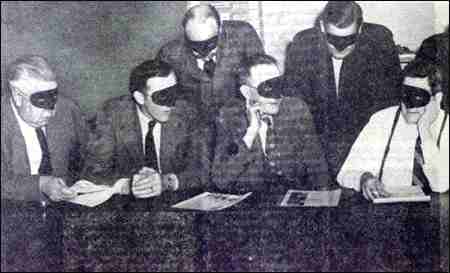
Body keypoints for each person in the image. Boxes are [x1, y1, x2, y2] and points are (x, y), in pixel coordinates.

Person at [284, 1, 402, 178]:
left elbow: (388, 107)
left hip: (366, 145)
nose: (340, 47)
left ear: (360, 29)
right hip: (318, 148)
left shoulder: (379, 43)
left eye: (348, 40)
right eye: (333, 39)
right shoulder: (303, 46)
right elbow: (297, 113)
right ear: (322, 27)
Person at [82, 60, 210, 198]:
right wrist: (128, 185)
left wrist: (166, 182)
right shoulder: (112, 114)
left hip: (174, 200)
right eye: (162, 96)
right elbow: (93, 171)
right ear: (140, 98)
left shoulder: (187, 112)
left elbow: (204, 169)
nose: (172, 104)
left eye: (174, 93)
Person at [212, 54, 330, 193]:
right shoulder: (229, 117)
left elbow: (318, 170)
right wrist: (251, 132)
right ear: (247, 92)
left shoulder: (296, 109)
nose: (276, 96)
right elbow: (221, 180)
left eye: (279, 85)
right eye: (266, 88)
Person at [338, 63, 449, 200]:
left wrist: (425, 131)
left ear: (436, 99)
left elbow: (442, 184)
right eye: (405, 95)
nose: (409, 105)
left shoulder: (447, 126)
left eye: (418, 97)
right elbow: (345, 173)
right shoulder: (382, 120)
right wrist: (364, 179)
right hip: (391, 214)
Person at [1, 55, 86, 203]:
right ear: (17, 96)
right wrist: (41, 184)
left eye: (53, 99)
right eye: (40, 102)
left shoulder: (68, 110)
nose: (50, 113)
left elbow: (91, 156)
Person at [157, 4, 264, 117]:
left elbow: (260, 78)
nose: (203, 51)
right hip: (194, 122)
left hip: (239, 117)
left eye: (209, 43)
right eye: (195, 45)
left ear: (220, 29)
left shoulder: (243, 35)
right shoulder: (170, 54)